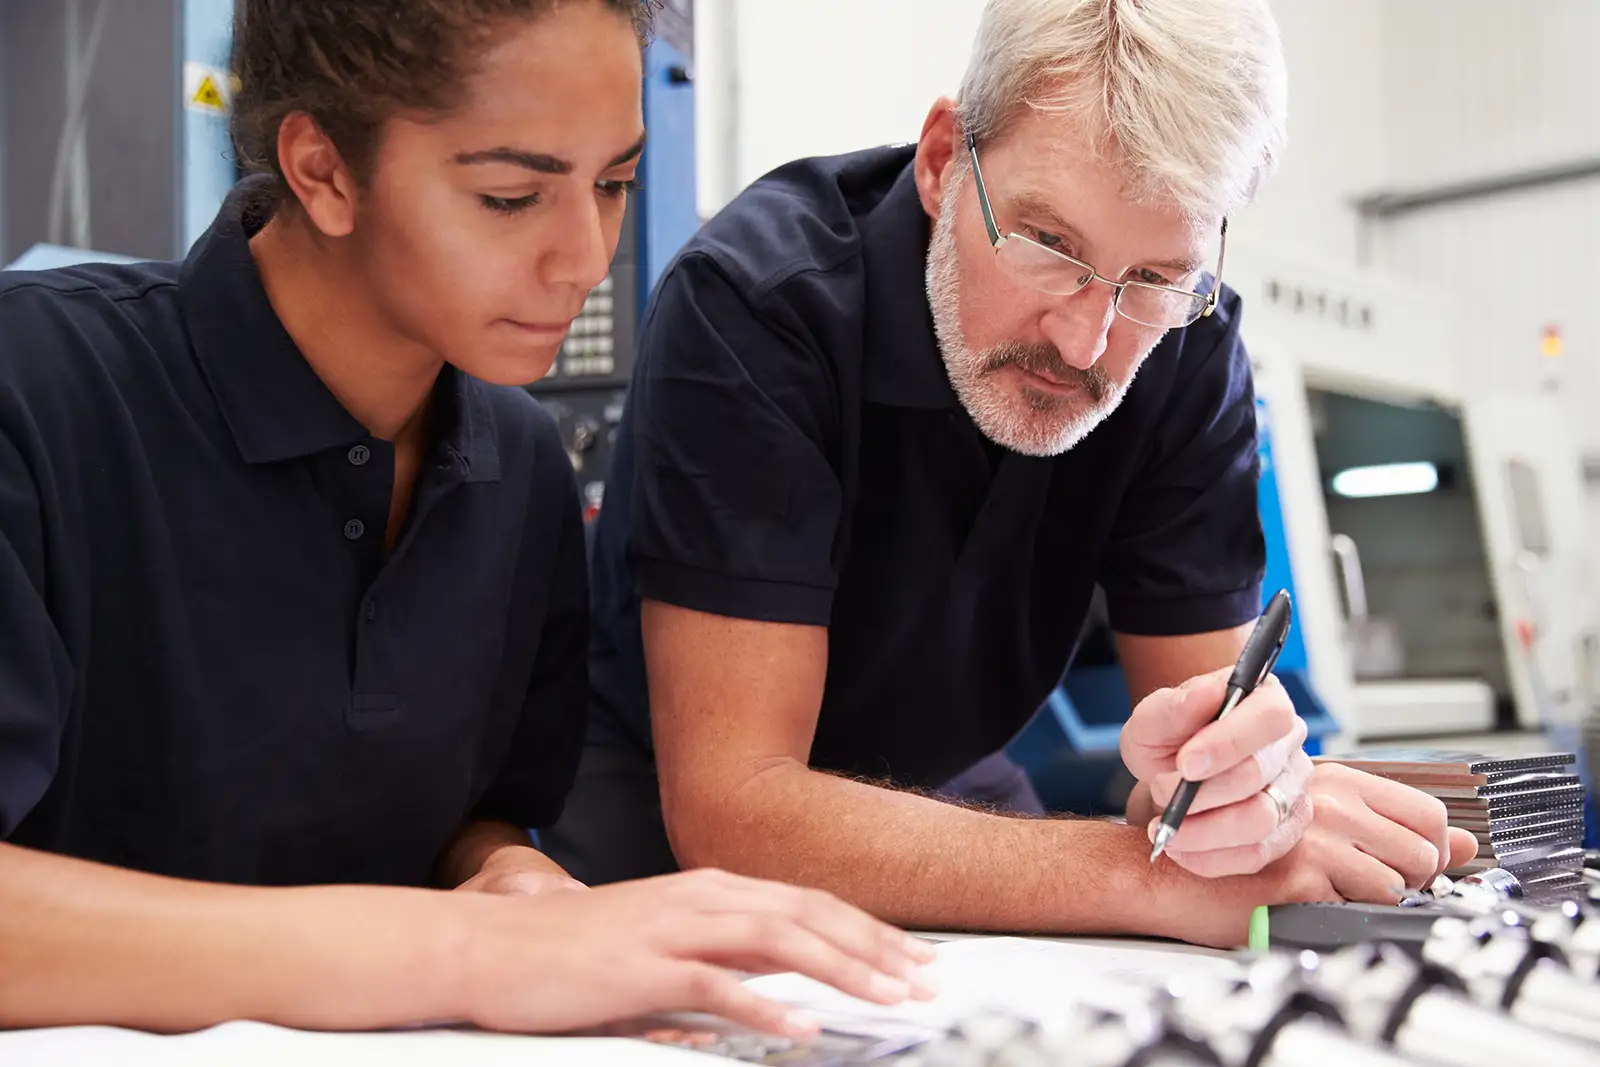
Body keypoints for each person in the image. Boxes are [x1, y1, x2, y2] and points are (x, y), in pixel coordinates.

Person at [0, 0, 936, 1038]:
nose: (585, 258)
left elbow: (470, 817)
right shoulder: (36, 393)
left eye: (614, 183)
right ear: (322, 169)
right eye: (509, 197)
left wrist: (510, 876)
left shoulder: (518, 464)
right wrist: (466, 953)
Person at [545, 0, 1479, 948]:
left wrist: (1246, 801)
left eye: (1155, 278)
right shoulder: (760, 306)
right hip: (663, 803)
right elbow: (737, 807)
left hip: (945, 782)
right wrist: (1143, 876)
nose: (1086, 341)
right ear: (942, 162)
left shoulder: (1185, 347)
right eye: (1050, 245)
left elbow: (1197, 771)